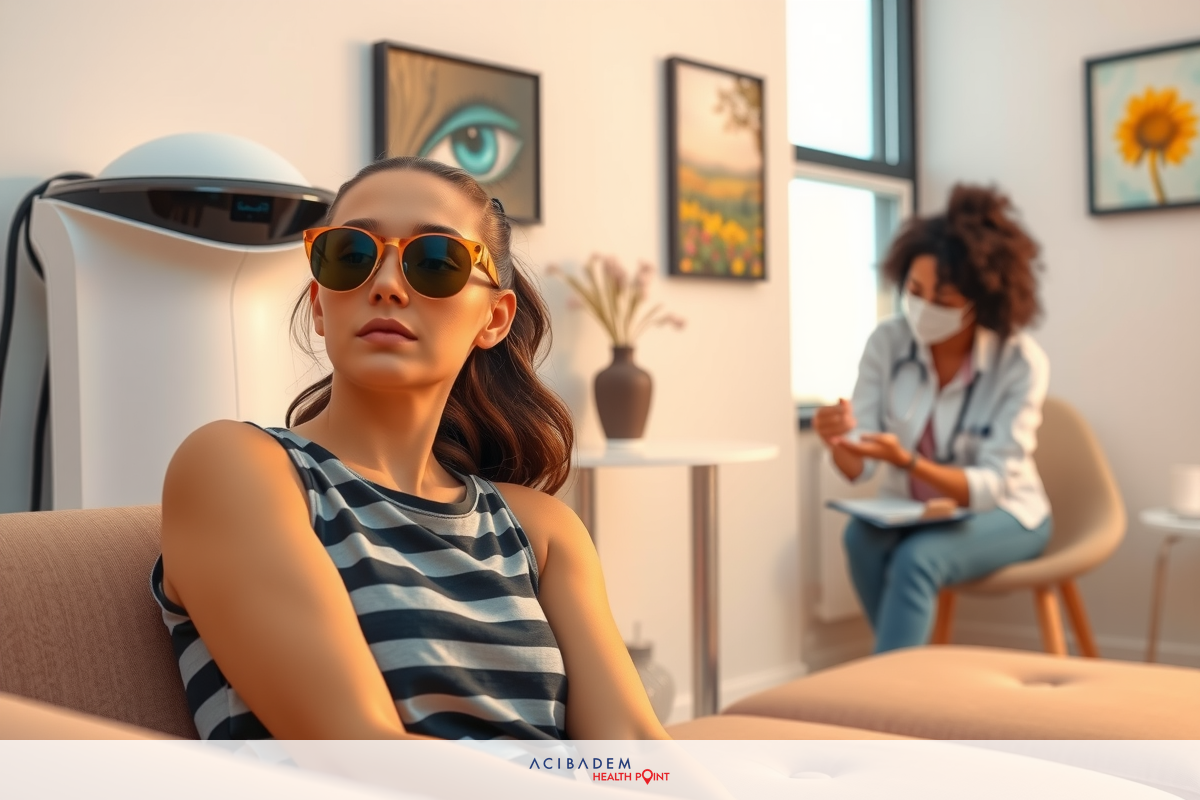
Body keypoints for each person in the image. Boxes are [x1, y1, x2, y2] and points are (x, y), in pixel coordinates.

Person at [151, 156, 668, 740]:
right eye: (350, 254)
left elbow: (635, 751)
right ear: (320, 303)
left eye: (436, 262)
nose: (388, 285)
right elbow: (363, 748)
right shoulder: (237, 466)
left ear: (494, 319)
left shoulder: (541, 531)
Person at [813, 184, 1051, 654]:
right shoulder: (888, 343)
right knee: (860, 540)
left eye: (943, 301)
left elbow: (990, 485)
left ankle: (887, 697)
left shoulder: (1019, 361)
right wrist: (839, 440)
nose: (924, 309)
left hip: (1006, 514)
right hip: (914, 512)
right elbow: (859, 467)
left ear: (981, 299)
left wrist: (909, 463)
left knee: (916, 560)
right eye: (915, 292)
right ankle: (906, 681)